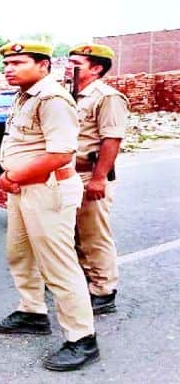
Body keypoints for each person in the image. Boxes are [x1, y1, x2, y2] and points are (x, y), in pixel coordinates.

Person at [0, 41, 98, 372]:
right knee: (19, 254)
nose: (8, 69)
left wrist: (10, 177)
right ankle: (32, 312)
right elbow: (26, 145)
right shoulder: (25, 96)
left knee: (58, 266)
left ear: (43, 65)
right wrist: (9, 179)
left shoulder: (52, 99)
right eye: (7, 64)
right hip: (25, 189)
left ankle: (82, 338)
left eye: (18, 62)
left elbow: (60, 154)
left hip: (48, 191)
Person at [67, 44, 129, 315]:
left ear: (96, 68)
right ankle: (85, 281)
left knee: (93, 234)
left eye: (75, 62)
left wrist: (99, 178)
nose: (68, 66)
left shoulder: (106, 97)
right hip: (68, 174)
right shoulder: (69, 95)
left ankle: (104, 291)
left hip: (89, 173)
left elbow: (111, 139)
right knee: (73, 234)